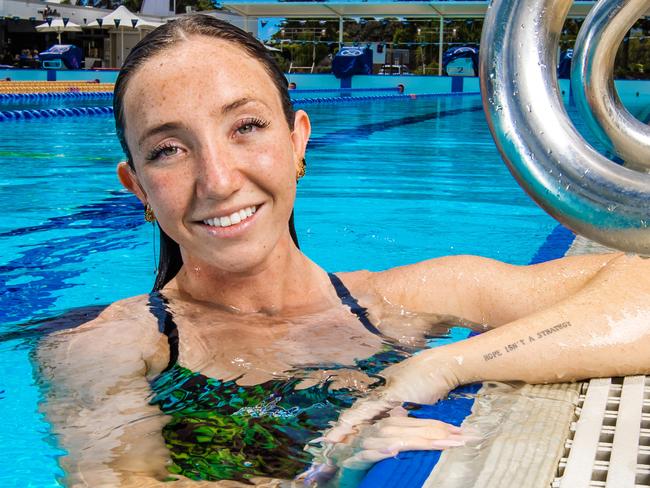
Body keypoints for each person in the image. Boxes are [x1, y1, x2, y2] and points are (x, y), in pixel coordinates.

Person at [36, 14, 650, 487]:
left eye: (246, 126)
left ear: (299, 141)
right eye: (170, 149)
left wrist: (438, 368)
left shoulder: (405, 298)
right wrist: (329, 465)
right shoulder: (105, 348)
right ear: (137, 186)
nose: (218, 180)